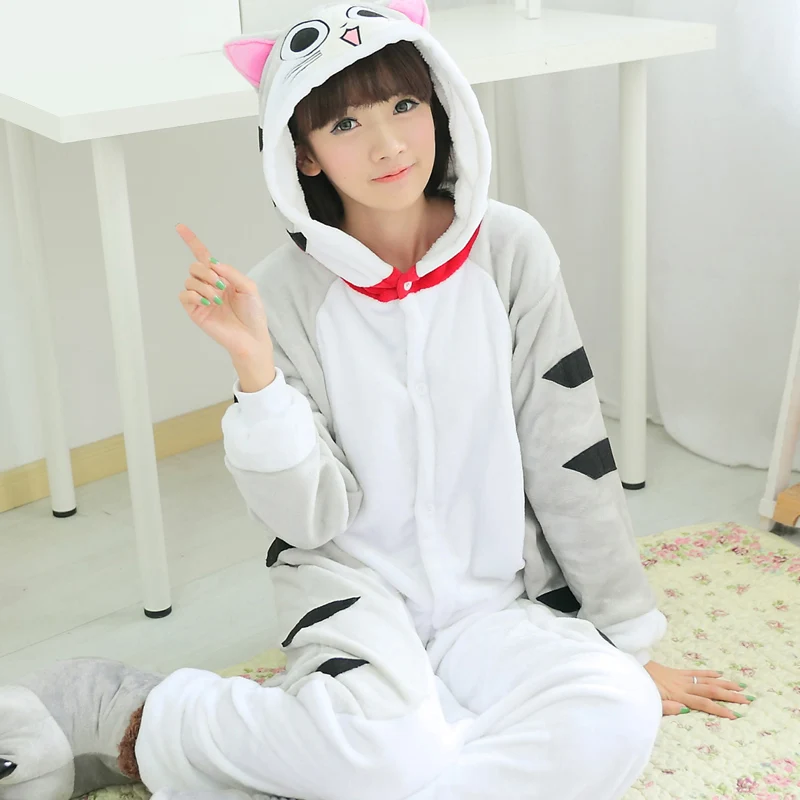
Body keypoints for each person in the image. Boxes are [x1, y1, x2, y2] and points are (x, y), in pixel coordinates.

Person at [0, 2, 751, 799]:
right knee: (385, 753)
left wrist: (628, 638)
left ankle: (359, 749)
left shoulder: (512, 252)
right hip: (358, 598)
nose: (389, 143)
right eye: (346, 123)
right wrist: (256, 372)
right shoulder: (282, 295)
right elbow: (307, 521)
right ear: (304, 154)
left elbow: (569, 454)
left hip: (495, 606)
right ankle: (119, 710)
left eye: (404, 104)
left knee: (619, 708)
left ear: (442, 105)